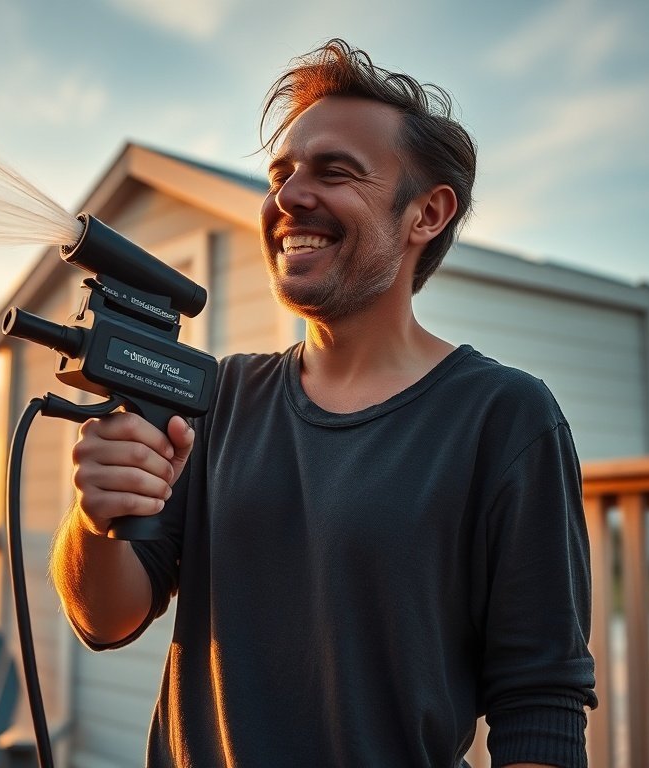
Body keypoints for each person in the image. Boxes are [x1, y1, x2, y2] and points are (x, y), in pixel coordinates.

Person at [50, 39, 597, 768]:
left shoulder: (504, 417)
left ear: (427, 214)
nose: (288, 198)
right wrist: (96, 517)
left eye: (334, 172)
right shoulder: (217, 398)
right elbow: (105, 619)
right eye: (280, 175)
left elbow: (542, 704)